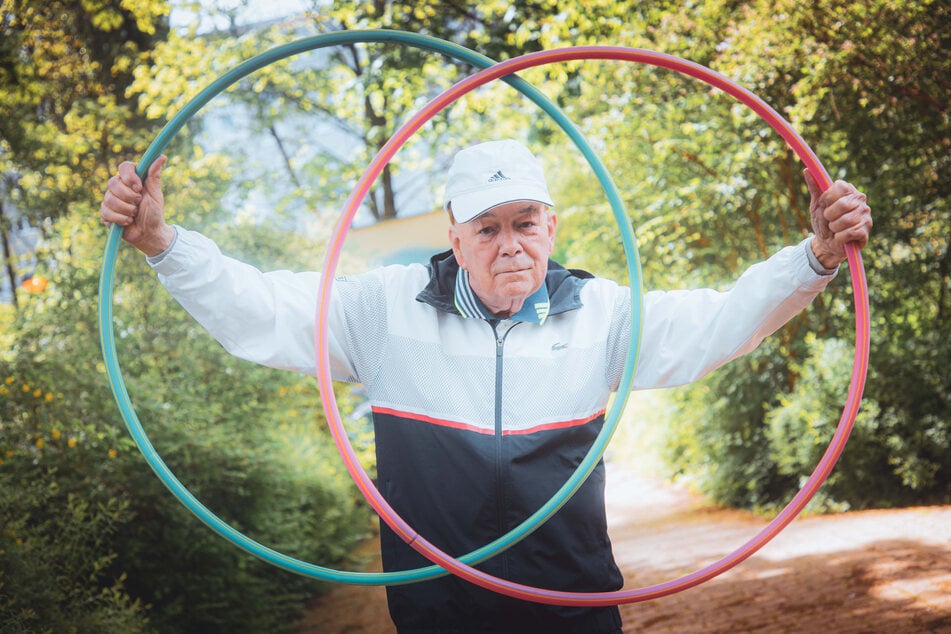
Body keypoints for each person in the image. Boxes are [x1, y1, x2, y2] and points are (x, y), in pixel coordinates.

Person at [100, 139, 872, 633]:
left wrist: (813, 255)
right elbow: (258, 308)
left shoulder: (597, 312)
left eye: (525, 223)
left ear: (552, 227)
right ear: (454, 236)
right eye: (487, 227)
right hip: (439, 610)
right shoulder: (381, 309)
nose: (510, 244)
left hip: (570, 604)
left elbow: (716, 323)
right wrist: (162, 243)